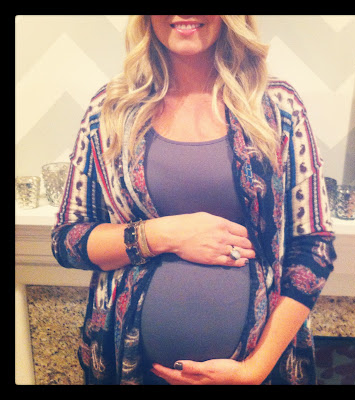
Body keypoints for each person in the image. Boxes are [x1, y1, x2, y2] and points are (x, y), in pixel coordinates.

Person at [51, 15, 336, 385]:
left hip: (256, 373)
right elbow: (68, 240)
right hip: (127, 368)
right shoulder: (110, 109)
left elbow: (314, 246)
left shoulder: (277, 106)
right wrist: (164, 235)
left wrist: (253, 370)